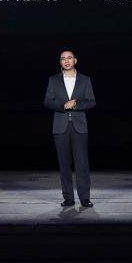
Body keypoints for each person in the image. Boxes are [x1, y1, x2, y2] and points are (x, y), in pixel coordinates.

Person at [44, 49, 96, 208]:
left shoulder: (85, 80)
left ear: (75, 61)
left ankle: (85, 198)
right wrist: (63, 106)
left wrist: (76, 105)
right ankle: (68, 198)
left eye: (69, 58)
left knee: (82, 164)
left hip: (79, 127)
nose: (66, 61)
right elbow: (47, 101)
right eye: (63, 58)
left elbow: (91, 101)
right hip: (60, 127)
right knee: (64, 164)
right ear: (60, 62)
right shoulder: (53, 80)